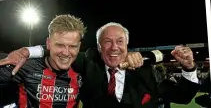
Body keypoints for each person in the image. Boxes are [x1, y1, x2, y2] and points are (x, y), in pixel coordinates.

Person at [2, 24, 199, 108]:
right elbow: (60, 50)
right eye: (107, 42)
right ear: (98, 47)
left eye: (120, 41)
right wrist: (27, 51)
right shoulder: (88, 64)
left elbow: (182, 97)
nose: (114, 47)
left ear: (127, 45)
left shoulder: (146, 72)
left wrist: (189, 68)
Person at [0, 14, 86, 108]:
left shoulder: (85, 68)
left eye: (72, 46)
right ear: (48, 44)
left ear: (79, 46)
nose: (66, 53)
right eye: (60, 45)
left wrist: (30, 51)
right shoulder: (25, 66)